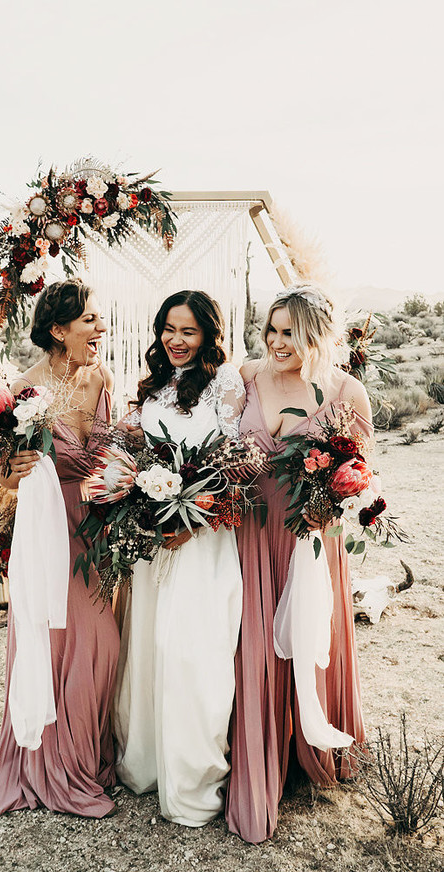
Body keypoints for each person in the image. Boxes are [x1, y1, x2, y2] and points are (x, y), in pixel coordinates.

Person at [226, 284, 373, 843]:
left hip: (311, 540)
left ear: (316, 334)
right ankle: (265, 756)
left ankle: (310, 748)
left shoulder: (345, 391)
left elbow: (362, 479)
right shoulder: (247, 377)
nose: (277, 341)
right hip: (255, 533)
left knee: (311, 639)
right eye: (272, 329)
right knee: (258, 644)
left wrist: (332, 499)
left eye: (290, 331)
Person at [113, 290, 246, 827]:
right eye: (169, 328)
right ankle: (145, 763)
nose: (176, 340)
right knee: (147, 645)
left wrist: (194, 524)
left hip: (202, 539)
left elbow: (236, 468)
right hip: (154, 542)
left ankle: (191, 777)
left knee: (190, 650)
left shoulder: (226, 384)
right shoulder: (154, 385)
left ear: (209, 335)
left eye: (188, 331)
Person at [0, 279, 120, 818]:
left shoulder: (100, 378)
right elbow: (3, 473)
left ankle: (83, 756)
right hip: (47, 530)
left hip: (93, 526)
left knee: (101, 646)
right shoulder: (24, 391)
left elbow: (111, 453)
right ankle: (48, 764)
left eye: (98, 318)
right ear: (58, 331)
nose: (100, 327)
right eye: (89, 320)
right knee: (53, 641)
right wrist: (13, 472)